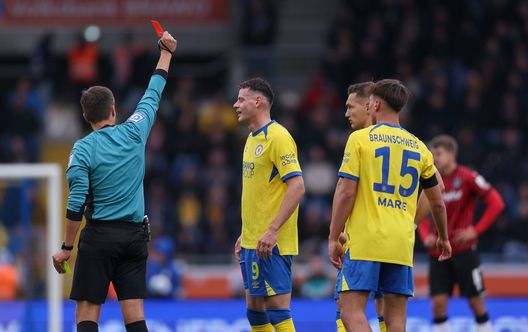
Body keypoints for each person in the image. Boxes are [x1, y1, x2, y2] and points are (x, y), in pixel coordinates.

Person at [51, 31, 177, 332]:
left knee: (86, 315)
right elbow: (153, 92)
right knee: (135, 317)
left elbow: (76, 199)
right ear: (113, 110)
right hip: (135, 238)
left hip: (99, 238)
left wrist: (67, 246)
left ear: (85, 116)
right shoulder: (135, 131)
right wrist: (167, 53)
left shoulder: (82, 148)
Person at [328, 79, 452, 332]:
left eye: (351, 107)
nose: (347, 112)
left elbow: (346, 193)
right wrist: (441, 235)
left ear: (373, 104)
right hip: (400, 244)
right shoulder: (418, 146)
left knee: (351, 312)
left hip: (365, 241)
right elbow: (437, 197)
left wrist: (332, 235)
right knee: (396, 320)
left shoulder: (360, 140)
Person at [233, 77, 305, 332]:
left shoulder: (278, 137)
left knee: (277, 312)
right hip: (254, 240)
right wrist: (247, 233)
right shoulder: (252, 138)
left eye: (241, 99)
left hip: (273, 242)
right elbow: (260, 192)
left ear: (258, 101)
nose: (236, 104)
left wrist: (272, 229)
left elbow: (297, 186)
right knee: (255, 312)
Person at [418, 135, 505, 332]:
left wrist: (475, 230)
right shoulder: (430, 179)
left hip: (464, 252)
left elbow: (497, 203)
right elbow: (420, 211)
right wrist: (425, 235)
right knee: (438, 305)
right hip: (438, 255)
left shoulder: (468, 177)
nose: (436, 159)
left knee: (476, 303)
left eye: (439, 154)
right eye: (433, 155)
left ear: (452, 154)